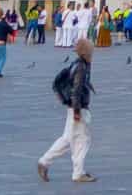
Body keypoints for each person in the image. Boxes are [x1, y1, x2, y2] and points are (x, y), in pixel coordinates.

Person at [38, 35, 96, 183]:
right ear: (86, 53)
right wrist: (77, 111)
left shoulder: (77, 64)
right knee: (82, 140)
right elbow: (76, 90)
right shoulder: (81, 67)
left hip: (74, 107)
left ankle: (45, 162)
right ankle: (77, 173)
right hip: (78, 107)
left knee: (69, 138)